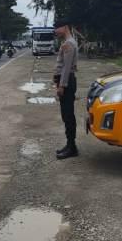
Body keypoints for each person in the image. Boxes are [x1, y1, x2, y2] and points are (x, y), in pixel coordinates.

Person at [53, 18, 79, 159]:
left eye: (57, 28)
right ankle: (70, 145)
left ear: (64, 27)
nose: (55, 31)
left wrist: (62, 85)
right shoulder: (68, 42)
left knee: (68, 115)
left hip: (67, 82)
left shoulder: (69, 44)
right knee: (66, 115)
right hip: (66, 81)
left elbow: (66, 67)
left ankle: (72, 147)